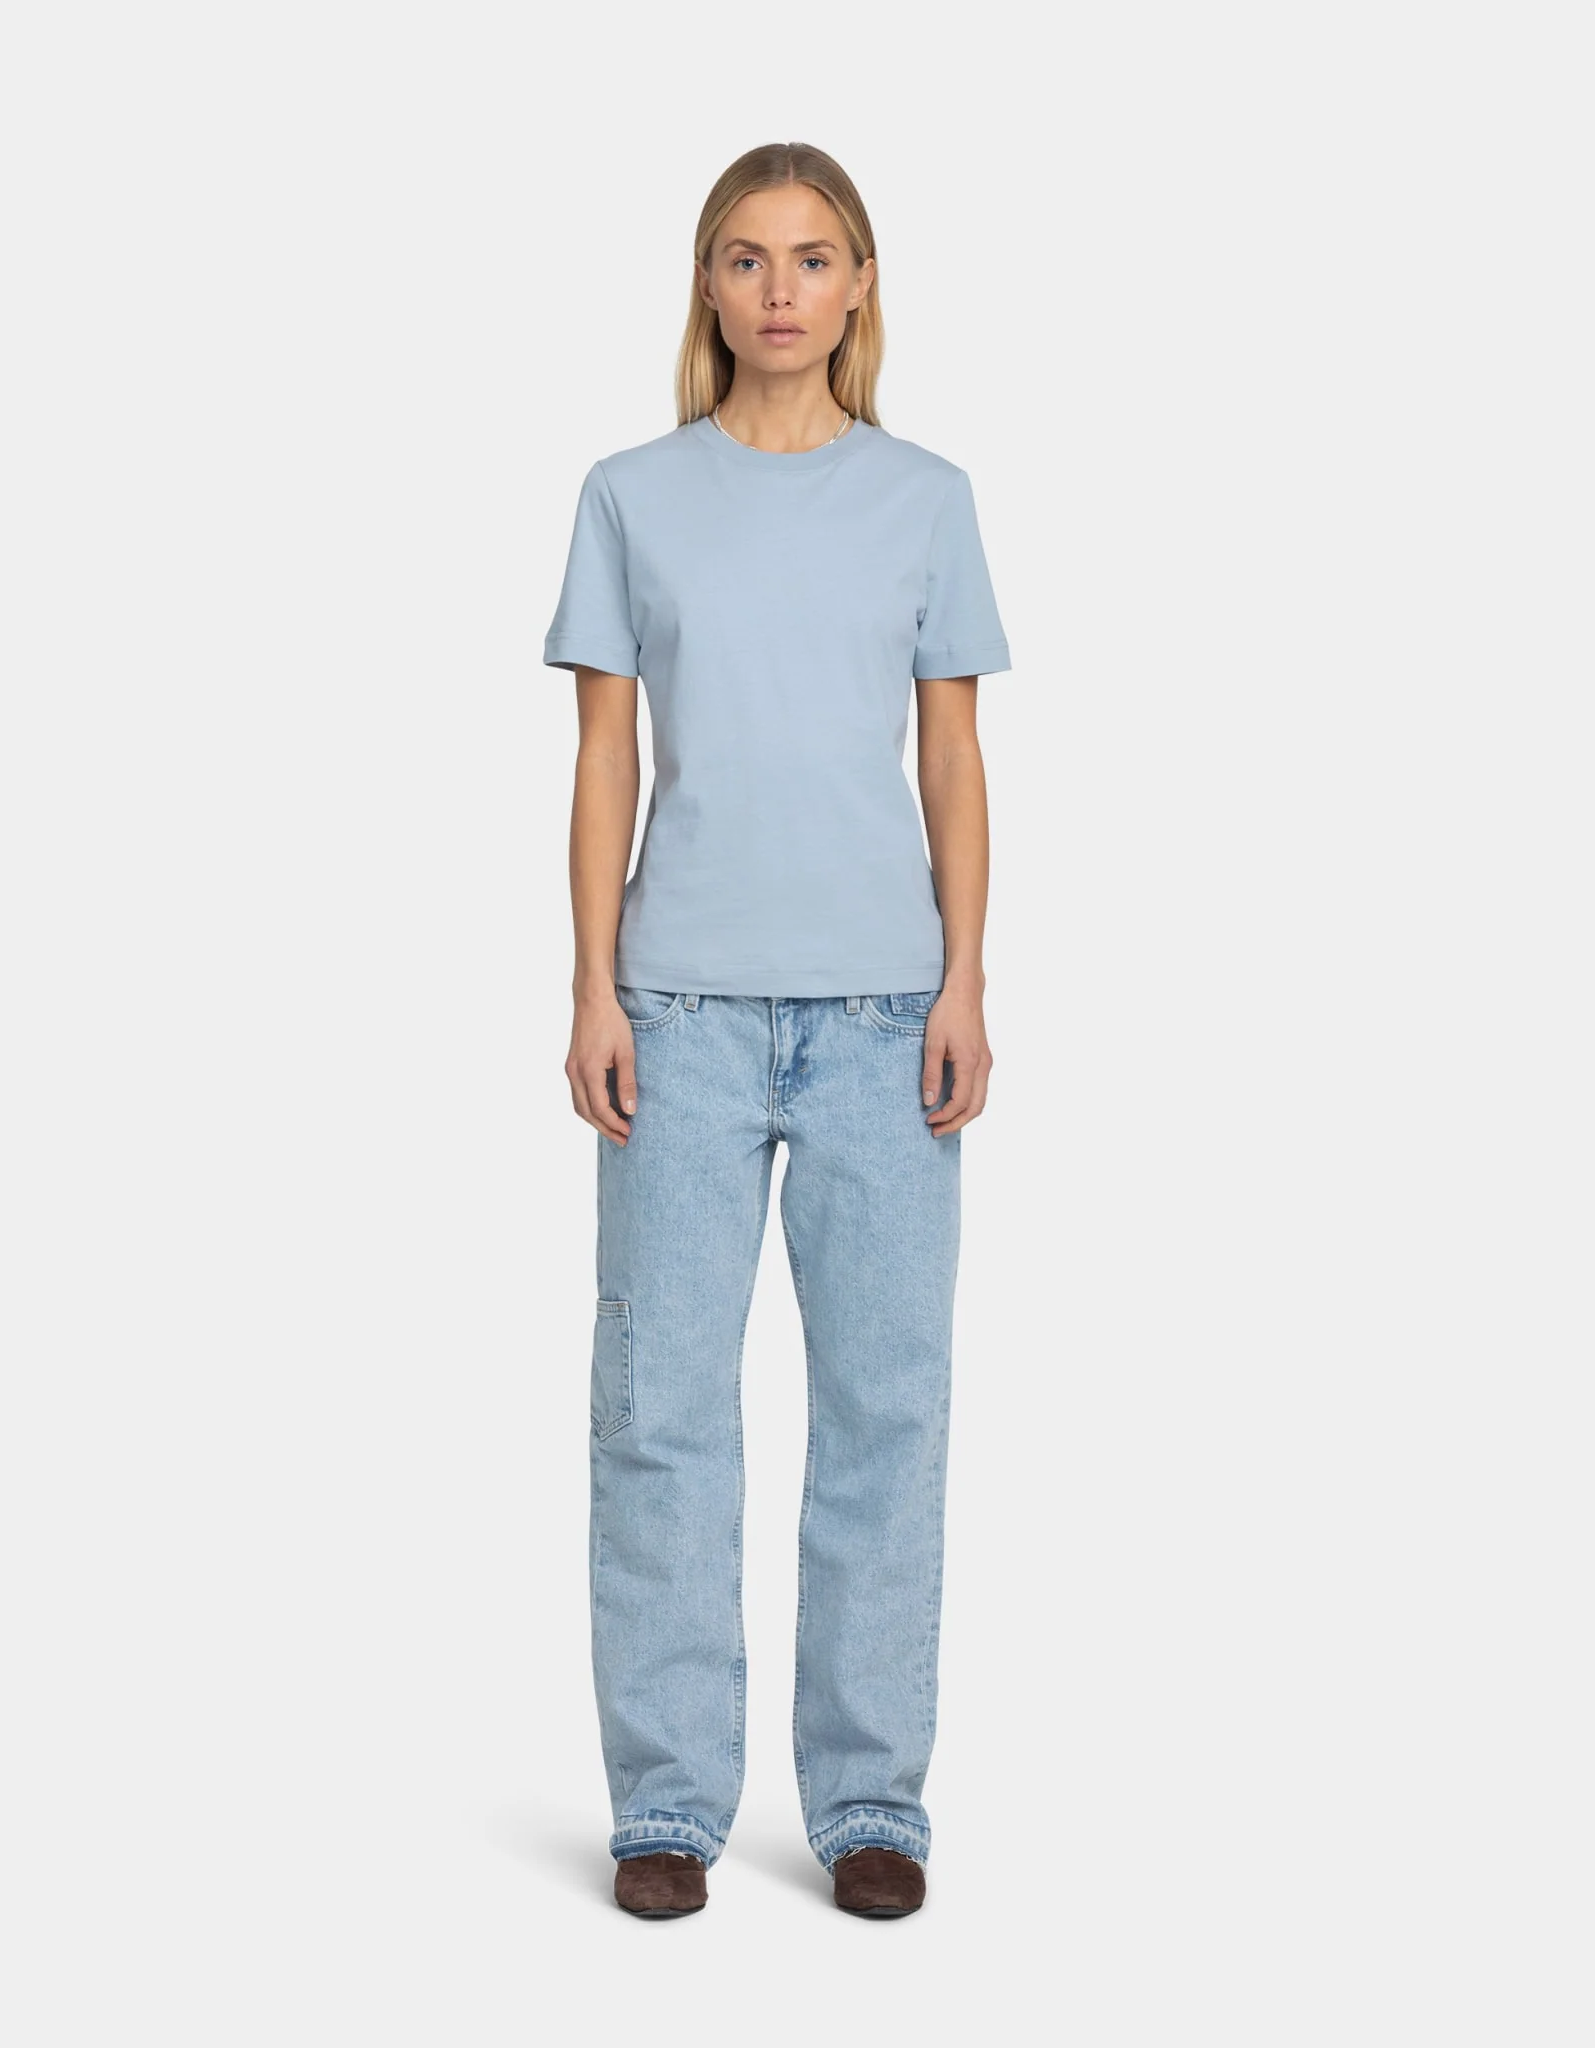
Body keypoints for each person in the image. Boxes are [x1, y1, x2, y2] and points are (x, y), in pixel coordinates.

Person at [542, 140, 1011, 1919]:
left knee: (885, 1410)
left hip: (887, 1013)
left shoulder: (926, 498)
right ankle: (666, 1807)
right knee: (659, 1414)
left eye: (813, 258)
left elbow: (953, 757)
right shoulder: (629, 496)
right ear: (707, 285)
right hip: (678, 1014)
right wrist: (592, 984)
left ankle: (869, 1803)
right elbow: (602, 759)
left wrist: (965, 979)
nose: (780, 290)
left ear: (860, 283)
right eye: (745, 258)